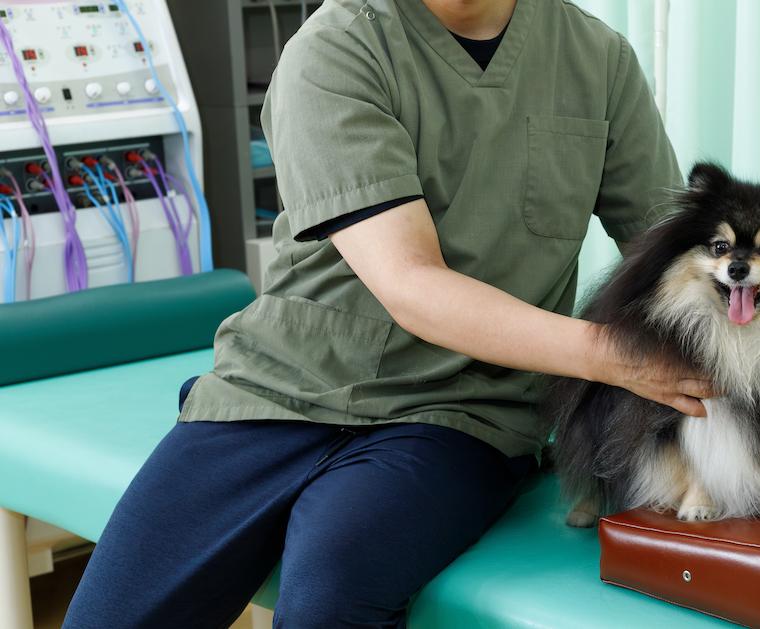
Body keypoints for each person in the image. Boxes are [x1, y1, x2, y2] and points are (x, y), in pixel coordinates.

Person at [63, 0, 712, 626]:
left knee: (332, 597)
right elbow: (410, 283)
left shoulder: (596, 59)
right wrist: (617, 359)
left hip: (462, 410)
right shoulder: (337, 49)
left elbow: (673, 259)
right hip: (276, 390)